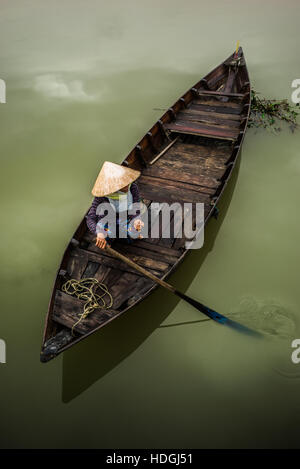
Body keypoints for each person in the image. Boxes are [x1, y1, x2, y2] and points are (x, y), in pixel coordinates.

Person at [86, 161, 144, 249]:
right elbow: (90, 218)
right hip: (108, 221)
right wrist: (99, 232)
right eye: (122, 185)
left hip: (126, 218)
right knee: (104, 237)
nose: (126, 186)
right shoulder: (102, 197)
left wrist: (136, 219)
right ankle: (109, 240)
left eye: (126, 181)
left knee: (134, 232)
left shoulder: (132, 187)